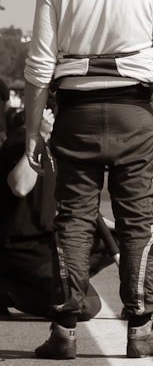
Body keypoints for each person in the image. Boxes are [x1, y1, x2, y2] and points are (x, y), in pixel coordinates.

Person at [21, 0, 153, 359]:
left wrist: (34, 133)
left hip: (75, 114)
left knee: (72, 220)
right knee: (138, 221)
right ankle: (141, 330)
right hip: (135, 114)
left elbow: (38, 67)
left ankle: (64, 332)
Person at [1, 107, 115, 322]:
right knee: (86, 306)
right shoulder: (20, 141)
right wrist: (39, 135)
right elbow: (20, 186)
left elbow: (70, 204)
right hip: (24, 251)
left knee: (123, 239)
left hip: (48, 244)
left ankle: (132, 301)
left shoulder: (57, 149)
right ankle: (8, 290)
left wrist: (118, 227)